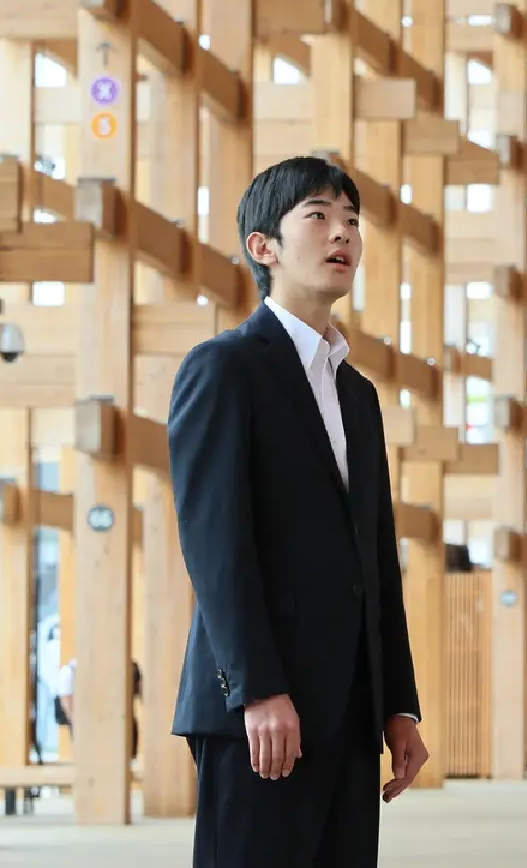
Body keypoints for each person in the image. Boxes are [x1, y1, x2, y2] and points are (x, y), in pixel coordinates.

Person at [168, 155, 428, 867]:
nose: (342, 233)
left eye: (351, 220)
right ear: (264, 247)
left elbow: (375, 563)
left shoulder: (358, 397)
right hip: (262, 715)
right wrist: (258, 690)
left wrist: (397, 703)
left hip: (346, 715)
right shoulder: (225, 369)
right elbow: (216, 545)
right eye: (318, 216)